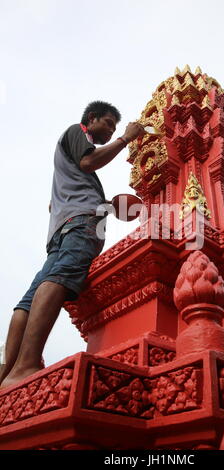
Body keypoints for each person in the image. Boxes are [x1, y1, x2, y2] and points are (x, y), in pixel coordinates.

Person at [0, 101, 145, 389]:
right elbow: (89, 161)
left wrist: (108, 206)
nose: (111, 130)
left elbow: (65, 194)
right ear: (91, 120)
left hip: (63, 229)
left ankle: (6, 375)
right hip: (79, 228)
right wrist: (126, 138)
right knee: (59, 278)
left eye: (115, 128)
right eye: (107, 123)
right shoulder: (76, 134)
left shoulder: (70, 171)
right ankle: (26, 365)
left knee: (29, 298)